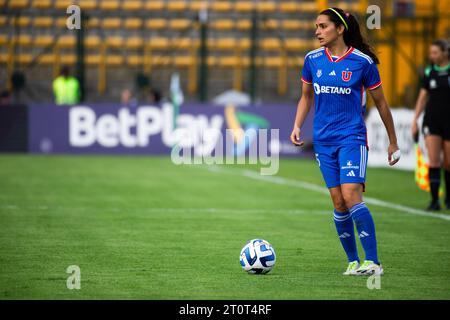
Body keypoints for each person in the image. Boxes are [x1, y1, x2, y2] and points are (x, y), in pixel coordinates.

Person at [290, 7, 400, 276]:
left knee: (351, 195)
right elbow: (306, 96)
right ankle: (353, 262)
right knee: (338, 202)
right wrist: (296, 125)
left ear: (340, 29)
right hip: (323, 141)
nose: (317, 31)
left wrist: (393, 142)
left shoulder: (362, 63)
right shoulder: (312, 60)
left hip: (352, 137)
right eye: (316, 26)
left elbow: (382, 103)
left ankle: (372, 262)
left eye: (323, 26)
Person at [411, 39, 450, 211]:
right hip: (432, 120)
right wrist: (415, 120)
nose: (432, 56)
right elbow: (422, 97)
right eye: (431, 53)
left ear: (444, 53)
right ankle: (434, 200)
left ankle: (448, 199)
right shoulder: (429, 71)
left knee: (448, 163)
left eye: (435, 52)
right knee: (434, 161)